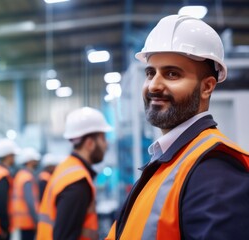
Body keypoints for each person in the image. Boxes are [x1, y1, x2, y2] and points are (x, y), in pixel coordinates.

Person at [105, 14, 249, 240]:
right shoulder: (169, 163)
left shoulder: (215, 173)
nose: (154, 85)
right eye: (151, 73)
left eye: (172, 74)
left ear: (207, 87)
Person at [37, 106, 112, 240]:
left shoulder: (67, 168)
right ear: (89, 144)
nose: (106, 145)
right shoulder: (77, 183)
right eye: (103, 138)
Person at [12, 147, 41, 240]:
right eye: (35, 160)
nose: (37, 162)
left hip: (23, 220)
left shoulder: (21, 175)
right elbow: (30, 202)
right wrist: (36, 220)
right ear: (29, 161)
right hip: (28, 221)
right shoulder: (27, 177)